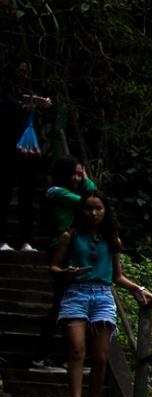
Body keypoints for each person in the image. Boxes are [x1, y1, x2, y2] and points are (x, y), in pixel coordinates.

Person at [49, 192, 152, 397]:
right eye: (89, 208)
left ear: (105, 211)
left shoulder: (111, 240)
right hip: (76, 293)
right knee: (77, 349)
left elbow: (117, 276)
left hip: (103, 295)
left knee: (100, 356)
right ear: (82, 211)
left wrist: (138, 288)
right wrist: (66, 272)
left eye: (98, 208)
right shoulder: (70, 236)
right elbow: (54, 266)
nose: (94, 213)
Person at [35, 156, 96, 370]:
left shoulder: (69, 193)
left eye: (80, 174)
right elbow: (90, 200)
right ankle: (41, 355)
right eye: (75, 173)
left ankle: (64, 356)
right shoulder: (57, 192)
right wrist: (87, 180)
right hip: (60, 248)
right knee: (61, 303)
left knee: (70, 304)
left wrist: (85, 176)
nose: (78, 178)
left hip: (73, 248)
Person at [6, 62, 53, 251]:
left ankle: (26, 239)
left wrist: (44, 105)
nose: (24, 75)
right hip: (10, 148)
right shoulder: (8, 93)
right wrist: (21, 106)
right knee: (6, 192)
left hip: (31, 151)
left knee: (28, 195)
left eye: (27, 72)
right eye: (21, 71)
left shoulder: (35, 92)